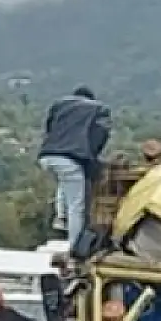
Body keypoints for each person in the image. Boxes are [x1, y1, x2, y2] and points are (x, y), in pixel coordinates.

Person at [37, 86, 112, 247]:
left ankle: (60, 216)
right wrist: (91, 157)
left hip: (47, 156)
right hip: (70, 158)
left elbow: (49, 128)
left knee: (65, 180)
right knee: (76, 205)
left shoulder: (60, 105)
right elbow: (100, 134)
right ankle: (73, 246)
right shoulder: (98, 109)